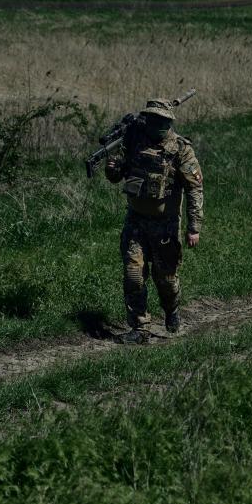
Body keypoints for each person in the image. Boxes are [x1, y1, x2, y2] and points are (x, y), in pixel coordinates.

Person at [105, 99, 204, 343]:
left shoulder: (181, 149)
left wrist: (194, 227)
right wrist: (112, 167)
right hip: (136, 221)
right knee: (133, 274)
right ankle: (140, 328)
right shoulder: (134, 142)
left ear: (169, 122)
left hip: (165, 225)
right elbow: (117, 176)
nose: (156, 123)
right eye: (152, 118)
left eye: (161, 119)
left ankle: (172, 310)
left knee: (167, 281)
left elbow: (195, 189)